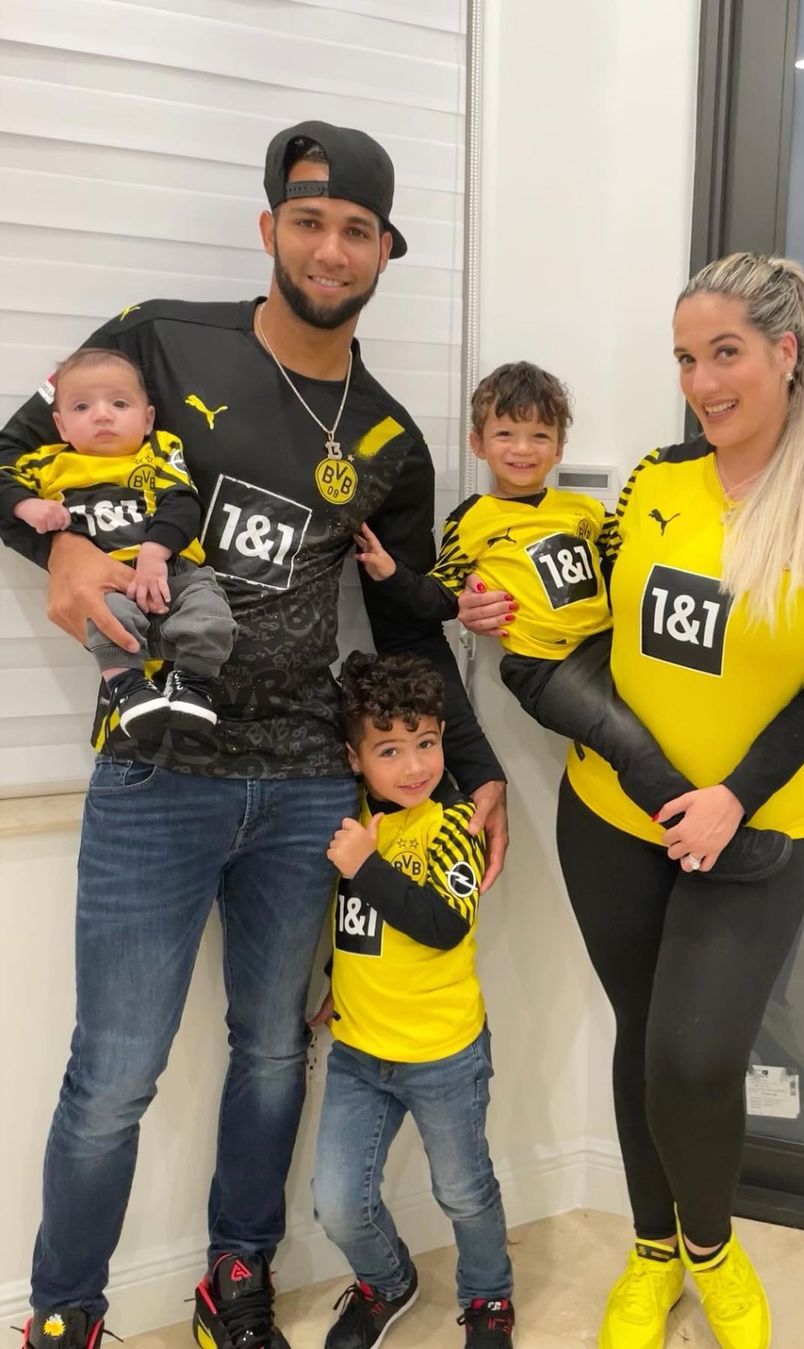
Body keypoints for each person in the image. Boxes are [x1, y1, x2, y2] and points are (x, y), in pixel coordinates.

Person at [0, 121, 507, 1349]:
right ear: (268, 225)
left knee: (274, 1052)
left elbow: (405, 625)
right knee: (115, 1070)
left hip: (304, 792)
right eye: (308, 219)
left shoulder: (391, 438)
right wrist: (62, 540)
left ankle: (236, 1282)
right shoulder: (163, 337)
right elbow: (8, 456)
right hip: (157, 771)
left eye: (357, 230)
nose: (331, 249)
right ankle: (65, 1317)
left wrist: (479, 768)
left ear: (386, 249)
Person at [458, 254, 804, 1349]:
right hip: (612, 816)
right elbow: (586, 620)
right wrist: (495, 601)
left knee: (696, 1057)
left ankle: (711, 1242)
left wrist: (732, 797)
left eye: (725, 353)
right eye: (686, 358)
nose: (702, 383)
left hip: (753, 833)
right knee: (643, 1036)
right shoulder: (654, 483)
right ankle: (652, 1248)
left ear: (785, 353)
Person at [357, 360, 789, 882]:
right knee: (624, 739)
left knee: (664, 729)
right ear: (478, 443)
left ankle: (694, 829)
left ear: (560, 449)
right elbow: (438, 596)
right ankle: (709, 845)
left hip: (608, 648)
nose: (522, 449)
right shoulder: (473, 519)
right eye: (506, 434)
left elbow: (630, 562)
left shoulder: (583, 509)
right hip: (546, 668)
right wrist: (390, 573)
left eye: (540, 435)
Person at [312, 652, 514, 1349]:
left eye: (425, 742)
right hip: (360, 1052)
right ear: (355, 756)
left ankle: (488, 1297)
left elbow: (440, 923)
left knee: (462, 1190)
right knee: (337, 1203)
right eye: (389, 749)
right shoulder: (349, 825)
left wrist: (365, 864)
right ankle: (388, 1280)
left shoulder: (449, 821)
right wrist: (336, 981)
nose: (414, 765)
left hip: (444, 1054)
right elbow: (357, 926)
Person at [0, 348, 236, 738]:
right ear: (60, 426)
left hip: (175, 572)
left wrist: (155, 552)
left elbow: (182, 501)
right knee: (107, 620)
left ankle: (194, 686)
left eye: (119, 403)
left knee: (211, 614)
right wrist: (26, 505)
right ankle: (129, 689)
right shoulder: (48, 464)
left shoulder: (159, 450)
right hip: (108, 580)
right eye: (81, 407)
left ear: (148, 419)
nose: (102, 414)